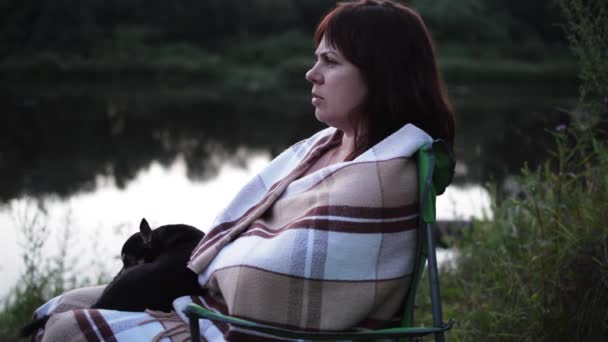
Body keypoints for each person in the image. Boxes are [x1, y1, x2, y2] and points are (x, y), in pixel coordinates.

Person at [29, 0, 455, 341]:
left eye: (331, 62)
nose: (312, 74)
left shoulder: (384, 177)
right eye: (316, 60)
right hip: (223, 307)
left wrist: (204, 271)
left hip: (257, 327)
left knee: (70, 329)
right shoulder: (324, 147)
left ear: (380, 76)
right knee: (62, 306)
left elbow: (279, 287)